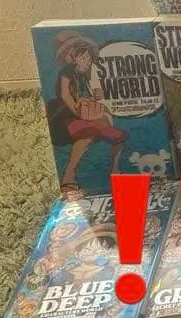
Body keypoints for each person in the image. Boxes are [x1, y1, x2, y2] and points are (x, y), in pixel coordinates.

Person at [45, 30, 127, 197]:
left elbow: (85, 95)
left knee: (117, 134)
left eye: (87, 57)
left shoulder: (84, 74)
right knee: (86, 135)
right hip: (65, 116)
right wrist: (77, 110)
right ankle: (68, 175)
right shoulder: (67, 71)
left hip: (85, 113)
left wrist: (94, 97)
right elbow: (65, 95)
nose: (86, 61)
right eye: (82, 57)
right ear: (71, 57)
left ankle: (115, 170)